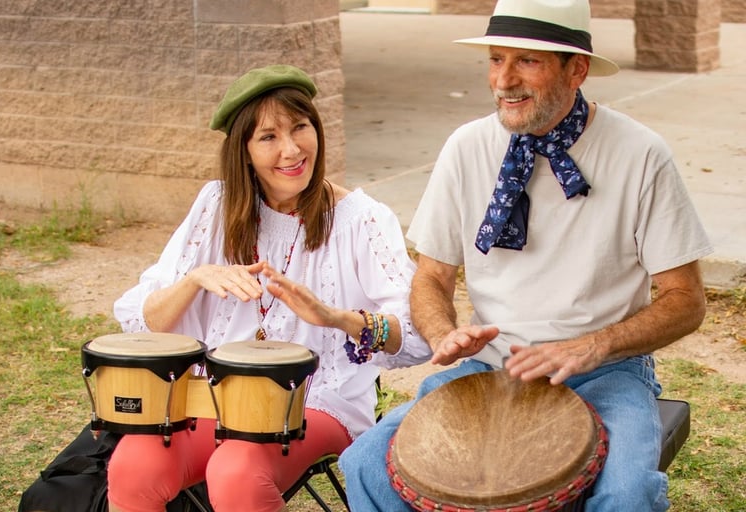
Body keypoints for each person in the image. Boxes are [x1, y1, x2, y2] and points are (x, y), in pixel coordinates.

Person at [339, 0, 713, 510]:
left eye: (527, 61)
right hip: (490, 368)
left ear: (576, 69)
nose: (503, 81)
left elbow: (686, 299)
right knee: (365, 464)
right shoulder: (465, 147)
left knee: (627, 494)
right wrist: (443, 333)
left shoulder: (640, 154)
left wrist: (594, 346)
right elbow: (431, 278)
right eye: (496, 59)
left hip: (607, 371)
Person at [106, 64, 431, 512]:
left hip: (317, 400)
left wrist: (336, 318)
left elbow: (415, 334)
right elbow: (144, 321)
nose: (292, 149)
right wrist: (195, 281)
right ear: (243, 151)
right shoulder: (215, 206)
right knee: (133, 464)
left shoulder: (363, 220)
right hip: (219, 396)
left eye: (301, 128)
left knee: (236, 470)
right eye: (268, 137)